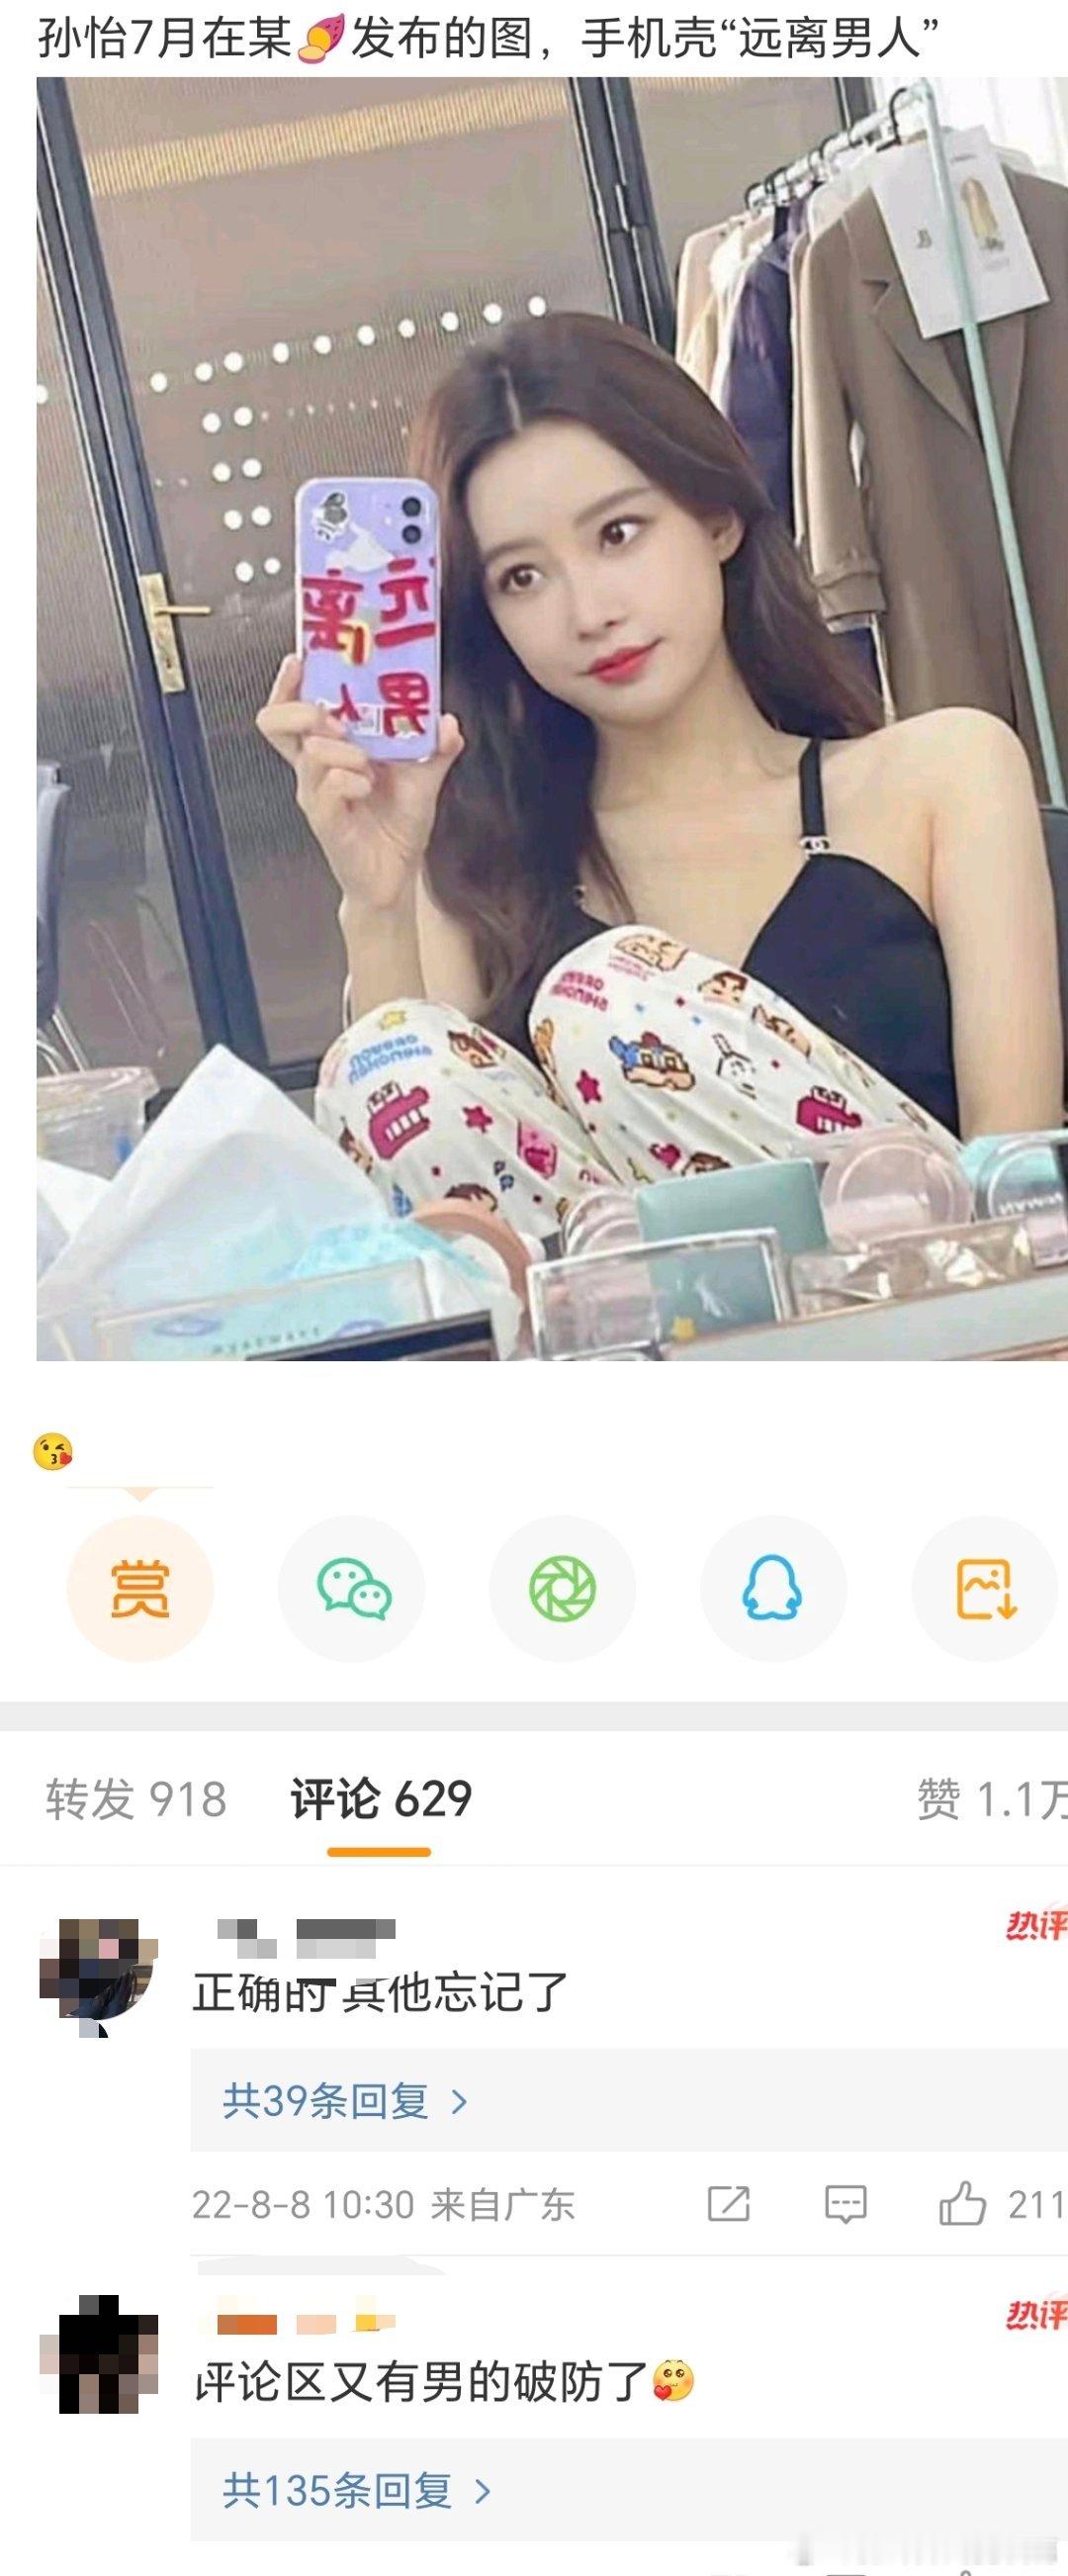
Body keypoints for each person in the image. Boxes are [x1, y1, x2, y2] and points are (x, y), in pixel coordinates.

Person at [257, 311, 1062, 1238]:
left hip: (943, 1293)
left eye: (618, 534)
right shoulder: (481, 870)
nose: (588, 611)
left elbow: (1019, 1178)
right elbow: (430, 1204)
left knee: (606, 1002)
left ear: (716, 517)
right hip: (615, 1322)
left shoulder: (943, 774)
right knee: (392, 1059)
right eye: (522, 578)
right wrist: (377, 900)